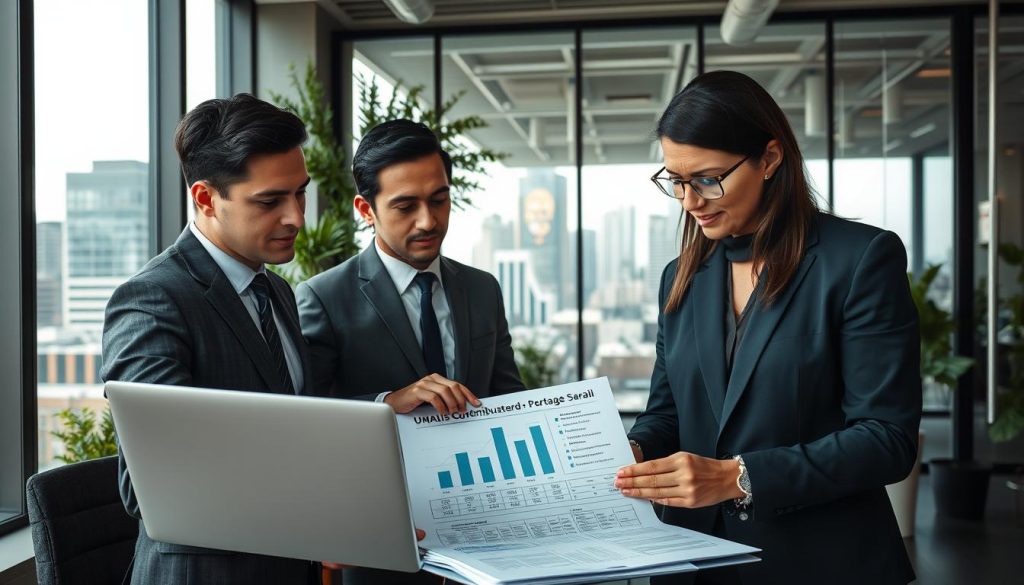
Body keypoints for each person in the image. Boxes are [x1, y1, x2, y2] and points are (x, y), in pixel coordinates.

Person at [615, 71, 921, 585]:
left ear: (770, 160)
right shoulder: (682, 275)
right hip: (693, 557)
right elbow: (669, 413)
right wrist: (634, 451)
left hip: (819, 563)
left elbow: (886, 439)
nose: (690, 201)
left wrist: (738, 477)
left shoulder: (859, 259)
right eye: (676, 181)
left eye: (708, 179)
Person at [101, 94, 319, 584]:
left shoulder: (276, 290)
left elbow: (295, 416)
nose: (296, 218)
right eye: (270, 201)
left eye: (300, 193)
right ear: (204, 199)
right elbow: (152, 487)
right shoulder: (152, 299)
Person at [296, 118, 525, 584]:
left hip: (487, 537)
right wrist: (386, 404)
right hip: (382, 544)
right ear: (367, 208)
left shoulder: (482, 289)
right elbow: (303, 421)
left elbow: (508, 397)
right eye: (406, 206)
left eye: (439, 200)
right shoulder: (323, 297)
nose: (429, 220)